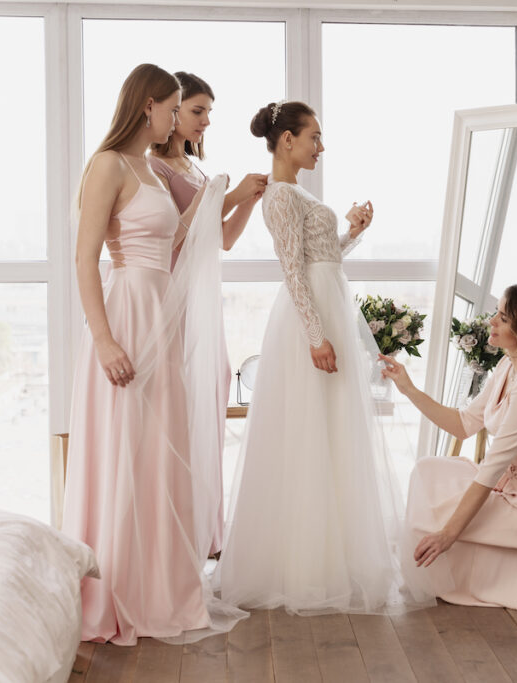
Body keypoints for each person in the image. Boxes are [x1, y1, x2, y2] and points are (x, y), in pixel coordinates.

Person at [215, 100, 435, 614]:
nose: (321, 146)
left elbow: (321, 258)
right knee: (308, 436)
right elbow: (292, 270)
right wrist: (316, 335)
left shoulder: (297, 193)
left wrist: (352, 233)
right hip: (310, 320)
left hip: (325, 305)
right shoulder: (279, 197)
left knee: (331, 434)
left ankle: (330, 558)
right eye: (314, 136)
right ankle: (304, 568)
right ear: (286, 139)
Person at [62, 63, 244, 644]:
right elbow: (85, 259)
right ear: (148, 107)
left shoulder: (151, 169)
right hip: (127, 314)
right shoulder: (108, 165)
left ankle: (159, 587)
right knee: (125, 450)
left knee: (160, 454)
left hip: (162, 317)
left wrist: (219, 199)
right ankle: (116, 588)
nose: (177, 118)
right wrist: (105, 340)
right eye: (172, 108)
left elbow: (179, 240)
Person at [380, 283, 517, 608]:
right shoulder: (506, 366)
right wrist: (409, 389)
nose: (492, 321)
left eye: (502, 317)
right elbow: (463, 423)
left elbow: (491, 468)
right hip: (512, 489)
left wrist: (448, 534)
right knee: (428, 471)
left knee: (441, 525)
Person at [148, 71, 267, 558]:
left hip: (202, 298)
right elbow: (174, 231)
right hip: (171, 298)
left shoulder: (195, 168)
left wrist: (248, 202)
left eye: (207, 112)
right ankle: (174, 526)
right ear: (172, 113)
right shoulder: (153, 168)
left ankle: (205, 528)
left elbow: (222, 238)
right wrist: (230, 195)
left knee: (212, 388)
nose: (205, 121)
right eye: (197, 111)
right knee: (178, 404)